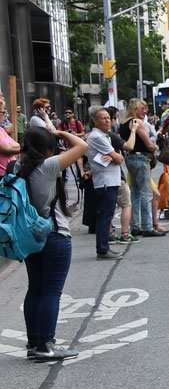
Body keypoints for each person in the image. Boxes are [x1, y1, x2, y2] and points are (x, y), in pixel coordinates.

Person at [17, 126, 88, 361]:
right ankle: (46, 344)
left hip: (30, 236)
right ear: (47, 148)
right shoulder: (46, 166)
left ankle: (34, 342)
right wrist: (60, 133)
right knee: (51, 291)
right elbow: (82, 146)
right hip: (54, 235)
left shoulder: (16, 167)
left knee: (35, 288)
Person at [121, 99, 166, 238]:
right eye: (142, 108)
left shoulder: (123, 123)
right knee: (147, 193)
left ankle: (135, 226)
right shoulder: (138, 123)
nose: (145, 111)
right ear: (135, 108)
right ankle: (147, 226)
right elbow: (149, 144)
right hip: (141, 158)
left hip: (130, 158)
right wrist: (156, 147)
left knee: (134, 193)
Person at [84, 106, 125, 259]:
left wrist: (114, 157)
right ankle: (102, 249)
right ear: (94, 121)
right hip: (105, 181)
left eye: (109, 118)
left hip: (109, 180)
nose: (108, 121)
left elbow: (116, 158)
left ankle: (104, 247)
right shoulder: (97, 137)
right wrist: (114, 157)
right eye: (103, 118)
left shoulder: (104, 136)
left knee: (107, 215)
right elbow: (119, 158)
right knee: (105, 216)